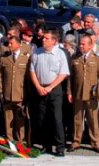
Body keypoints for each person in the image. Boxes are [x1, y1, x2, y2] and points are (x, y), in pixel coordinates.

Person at [29, 28, 70, 156]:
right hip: (40, 89)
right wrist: (38, 87)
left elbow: (63, 74)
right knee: (42, 118)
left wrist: (50, 87)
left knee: (56, 118)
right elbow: (32, 71)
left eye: (47, 38)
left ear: (54, 41)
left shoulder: (60, 54)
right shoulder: (37, 52)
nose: (43, 40)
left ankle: (59, 147)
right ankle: (46, 145)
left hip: (54, 90)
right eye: (43, 38)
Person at [68, 30, 99, 153]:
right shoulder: (75, 57)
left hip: (92, 94)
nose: (81, 46)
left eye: (84, 44)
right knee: (77, 119)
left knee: (92, 119)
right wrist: (69, 92)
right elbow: (71, 77)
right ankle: (76, 141)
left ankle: (95, 143)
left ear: (90, 45)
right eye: (80, 44)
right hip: (78, 93)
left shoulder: (97, 58)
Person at [0, 29, 32, 145]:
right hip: (7, 93)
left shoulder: (25, 58)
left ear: (18, 44)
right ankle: (10, 139)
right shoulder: (4, 58)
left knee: (20, 118)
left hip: (20, 93)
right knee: (8, 118)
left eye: (11, 44)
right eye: (8, 44)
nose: (9, 46)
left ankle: (21, 139)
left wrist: (27, 94)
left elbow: (28, 78)